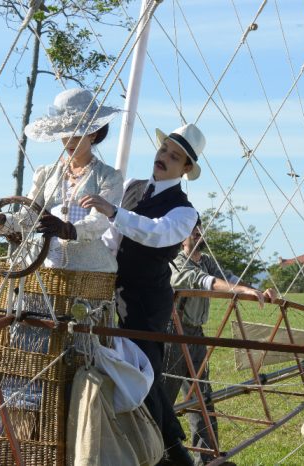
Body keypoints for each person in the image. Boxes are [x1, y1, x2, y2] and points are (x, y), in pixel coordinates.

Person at [0, 87, 124, 436]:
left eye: (78, 131)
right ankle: (24, 428)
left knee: (79, 357)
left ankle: (79, 432)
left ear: (95, 132)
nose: (68, 139)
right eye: (63, 132)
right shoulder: (47, 174)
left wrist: (68, 228)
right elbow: (27, 220)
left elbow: (102, 222)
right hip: (46, 274)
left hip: (88, 277)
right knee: (28, 346)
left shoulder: (108, 177)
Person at [80, 123, 205, 466]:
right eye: (164, 149)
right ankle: (126, 439)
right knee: (105, 360)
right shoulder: (133, 187)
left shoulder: (184, 210)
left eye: (174, 156)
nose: (163, 157)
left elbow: (154, 233)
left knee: (144, 370)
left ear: (186, 169)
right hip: (112, 289)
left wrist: (114, 212)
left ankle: (171, 452)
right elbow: (111, 237)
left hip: (148, 300)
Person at [163, 219, 276, 465]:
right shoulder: (176, 264)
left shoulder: (205, 261)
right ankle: (158, 453)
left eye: (200, 228)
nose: (198, 232)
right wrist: (238, 291)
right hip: (174, 335)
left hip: (196, 334)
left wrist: (256, 290)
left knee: (202, 396)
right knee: (165, 398)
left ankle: (206, 458)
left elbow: (229, 277)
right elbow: (205, 282)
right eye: (192, 229)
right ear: (182, 237)